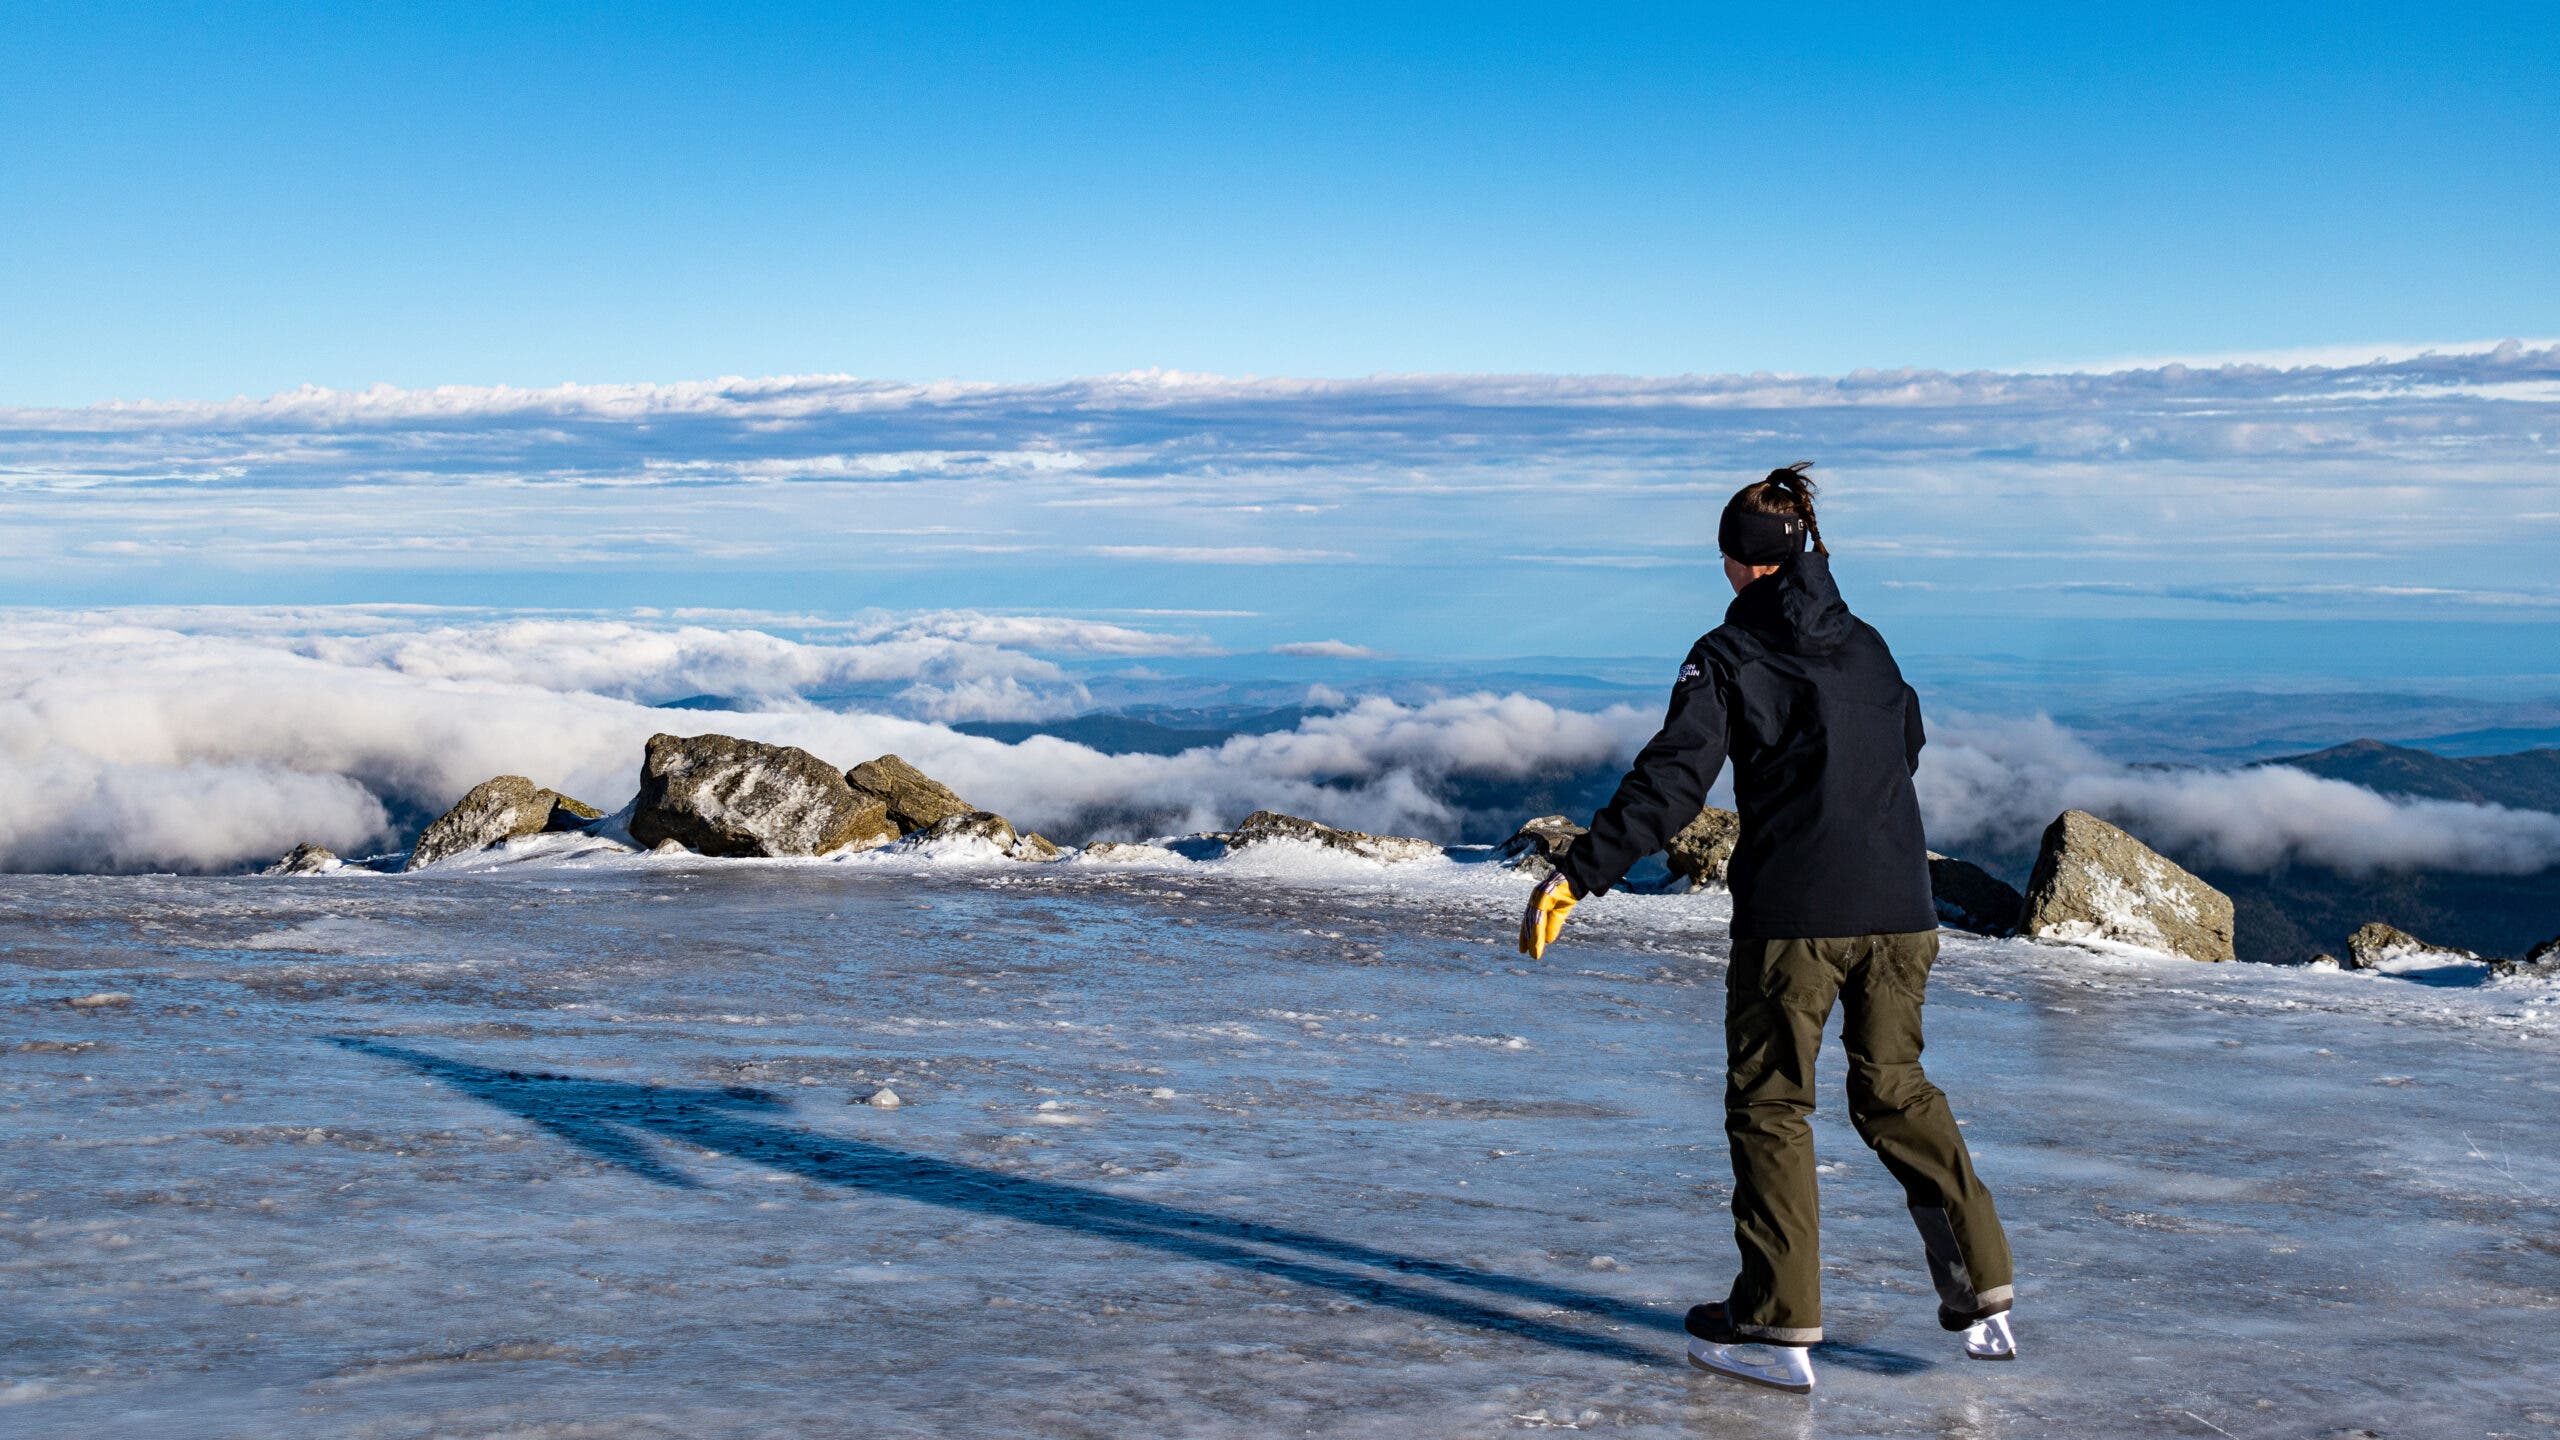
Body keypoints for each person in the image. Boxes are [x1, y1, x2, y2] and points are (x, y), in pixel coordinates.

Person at [1516, 463, 2015, 1393]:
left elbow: (1672, 783)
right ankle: (1983, 1289)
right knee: (1896, 1089)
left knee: (1773, 1106)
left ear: (1740, 564)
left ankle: (1780, 1323)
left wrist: (1578, 877)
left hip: (1796, 921)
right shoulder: (1868, 644)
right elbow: (1904, 742)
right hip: (1905, 913)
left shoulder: (1727, 654)